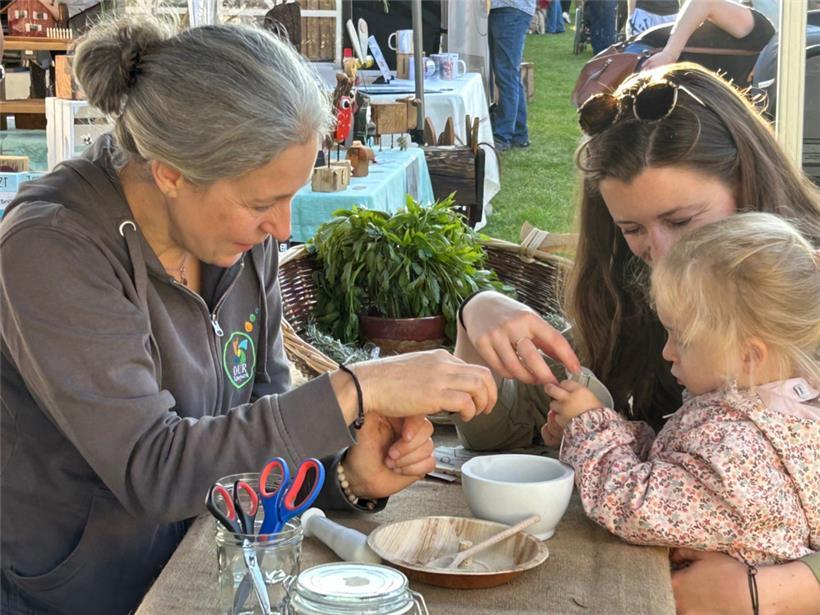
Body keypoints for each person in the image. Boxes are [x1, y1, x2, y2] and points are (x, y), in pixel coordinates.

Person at [0, 17, 497, 615]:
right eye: (263, 203)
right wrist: (354, 390)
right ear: (170, 174)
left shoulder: (235, 237)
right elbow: (153, 469)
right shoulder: (51, 247)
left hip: (208, 575)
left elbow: (258, 412)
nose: (283, 230)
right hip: (88, 596)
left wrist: (345, 475)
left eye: (290, 197)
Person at [453, 63, 820, 613]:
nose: (660, 252)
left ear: (747, 180)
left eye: (682, 219)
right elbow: (490, 439)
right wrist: (476, 314)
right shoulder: (632, 295)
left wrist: (776, 593)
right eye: (632, 230)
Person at [548, 212, 820, 566]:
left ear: (749, 356)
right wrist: (605, 431)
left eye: (682, 339)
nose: (667, 351)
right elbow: (677, 467)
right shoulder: (770, 415)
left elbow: (633, 507)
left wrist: (591, 427)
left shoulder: (737, 445)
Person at [489, 0, 535, 151]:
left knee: (507, 75)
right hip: (510, 9)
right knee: (509, 75)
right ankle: (519, 134)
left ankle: (502, 136)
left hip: (510, 9)